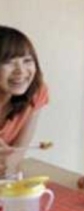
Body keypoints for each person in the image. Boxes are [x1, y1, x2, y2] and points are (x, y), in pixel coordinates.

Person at [0, 25, 49, 178]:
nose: (21, 71)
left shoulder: (36, 92)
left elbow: (16, 156)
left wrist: (8, 166)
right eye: (9, 62)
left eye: (27, 60)